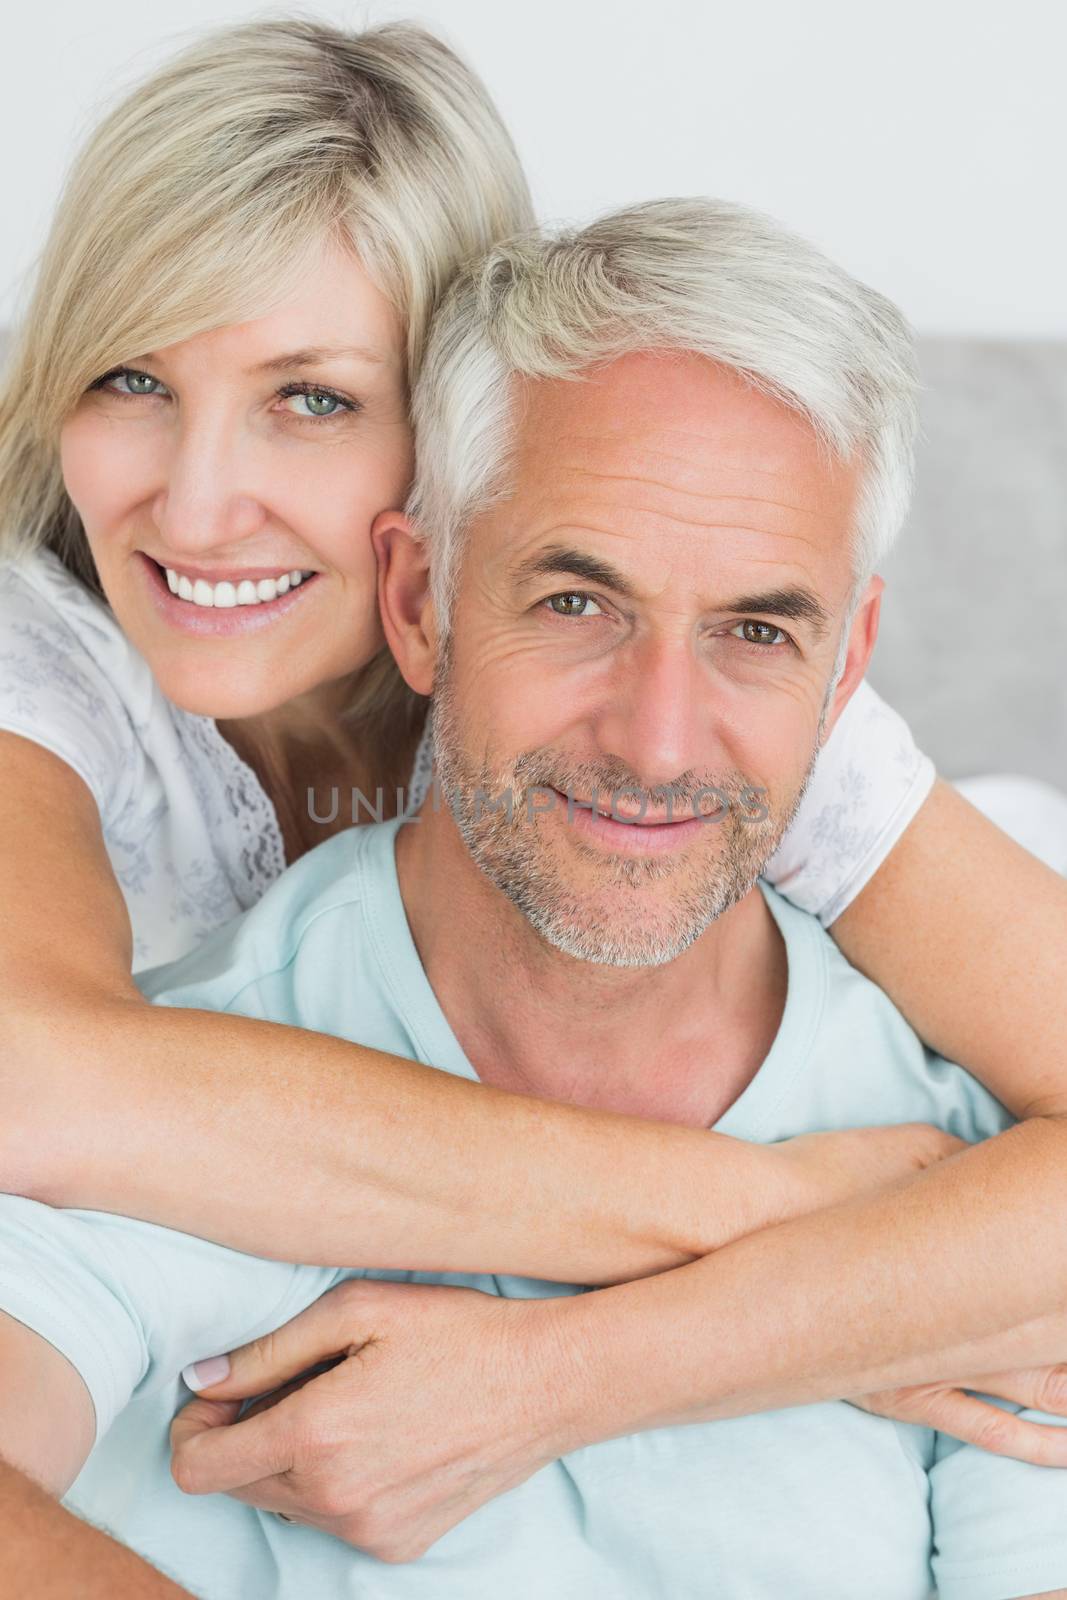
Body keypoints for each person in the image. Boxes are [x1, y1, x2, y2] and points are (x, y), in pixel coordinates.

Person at [2, 9, 1067, 1564]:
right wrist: (817, 1235)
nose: (200, 500)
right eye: (127, 376)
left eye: (311, 396)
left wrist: (563, 1376)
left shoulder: (712, 708)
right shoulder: (49, 676)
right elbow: (35, 1087)